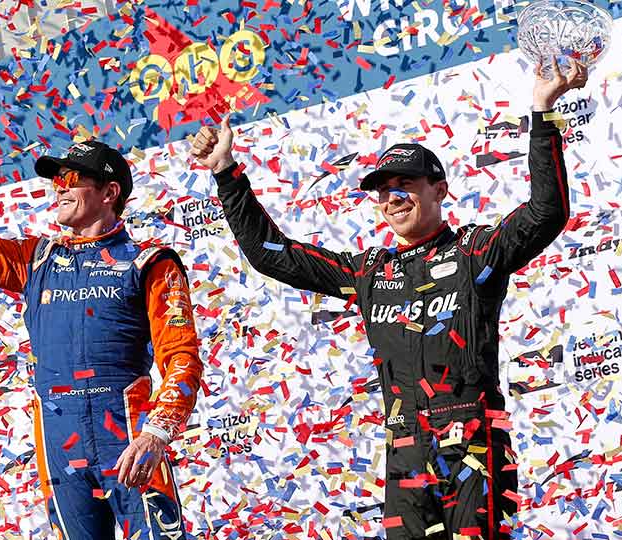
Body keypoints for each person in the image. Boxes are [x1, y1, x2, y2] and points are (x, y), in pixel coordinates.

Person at [190, 60, 588, 539]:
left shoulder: (474, 251)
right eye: (383, 191)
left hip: (472, 440)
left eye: (405, 185)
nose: (392, 197)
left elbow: (547, 212)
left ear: (439, 190)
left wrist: (543, 111)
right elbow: (274, 257)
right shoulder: (368, 273)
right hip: (404, 448)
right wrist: (227, 174)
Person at [0, 121, 203, 539]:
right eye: (56, 179)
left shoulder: (150, 263)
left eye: (72, 179)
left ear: (110, 193)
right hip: (62, 448)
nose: (58, 187)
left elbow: (181, 356)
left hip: (132, 442)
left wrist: (157, 433)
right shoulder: (35, 259)